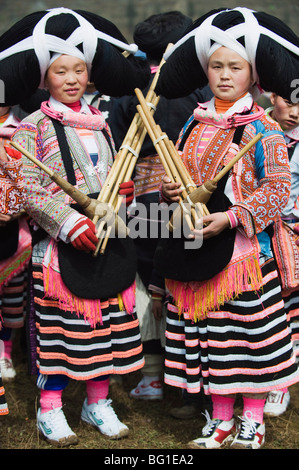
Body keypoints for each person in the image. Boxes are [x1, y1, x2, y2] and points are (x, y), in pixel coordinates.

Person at [0, 7, 150, 447]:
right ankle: (50, 409)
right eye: (60, 71)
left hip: (108, 242)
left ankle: (97, 403)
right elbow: (29, 190)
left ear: (90, 75)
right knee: (63, 335)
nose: (71, 78)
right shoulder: (32, 128)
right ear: (44, 78)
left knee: (107, 331)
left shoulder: (101, 125)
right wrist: (68, 222)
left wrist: (125, 194)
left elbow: (112, 178)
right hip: (61, 251)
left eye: (79, 70)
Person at [154, 7, 299, 449]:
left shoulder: (264, 129)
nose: (223, 74)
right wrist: (170, 193)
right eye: (216, 66)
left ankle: (251, 422)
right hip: (197, 252)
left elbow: (277, 193)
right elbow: (176, 174)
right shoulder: (192, 123)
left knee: (249, 345)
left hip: (246, 259)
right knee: (212, 343)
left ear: (253, 75)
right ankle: (219, 420)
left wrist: (233, 217)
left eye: (234, 67)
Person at [109, 11, 212, 408]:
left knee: (147, 280)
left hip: (138, 202)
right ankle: (188, 382)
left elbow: (116, 142)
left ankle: (152, 375)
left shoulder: (127, 93)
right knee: (182, 283)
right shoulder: (197, 91)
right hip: (184, 200)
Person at [263, 94, 299, 417]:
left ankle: (280, 383)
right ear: (273, 96)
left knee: (292, 309)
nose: (296, 113)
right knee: (269, 309)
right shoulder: (258, 128)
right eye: (290, 102)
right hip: (261, 234)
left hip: (294, 235)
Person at [0, 106, 32, 382]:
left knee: (12, 297)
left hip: (14, 231)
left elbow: (31, 179)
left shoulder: (23, 130)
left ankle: (6, 352)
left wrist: (16, 209)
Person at [0, 140, 26, 418]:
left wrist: (7, 159)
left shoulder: (18, 136)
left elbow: (27, 188)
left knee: (11, 301)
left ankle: (4, 353)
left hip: (13, 238)